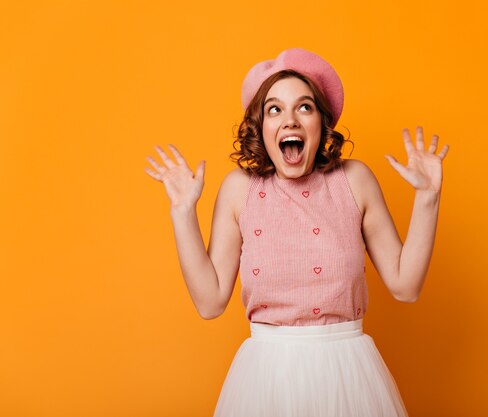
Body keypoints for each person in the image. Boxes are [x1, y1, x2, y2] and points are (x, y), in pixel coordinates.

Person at [144, 48, 449, 417]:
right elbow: (210, 303)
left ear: (322, 122)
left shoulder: (354, 180)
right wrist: (182, 212)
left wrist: (428, 197)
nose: (290, 119)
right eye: (275, 109)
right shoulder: (240, 189)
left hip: (348, 372)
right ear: (261, 127)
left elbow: (406, 285)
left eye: (304, 107)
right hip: (266, 378)